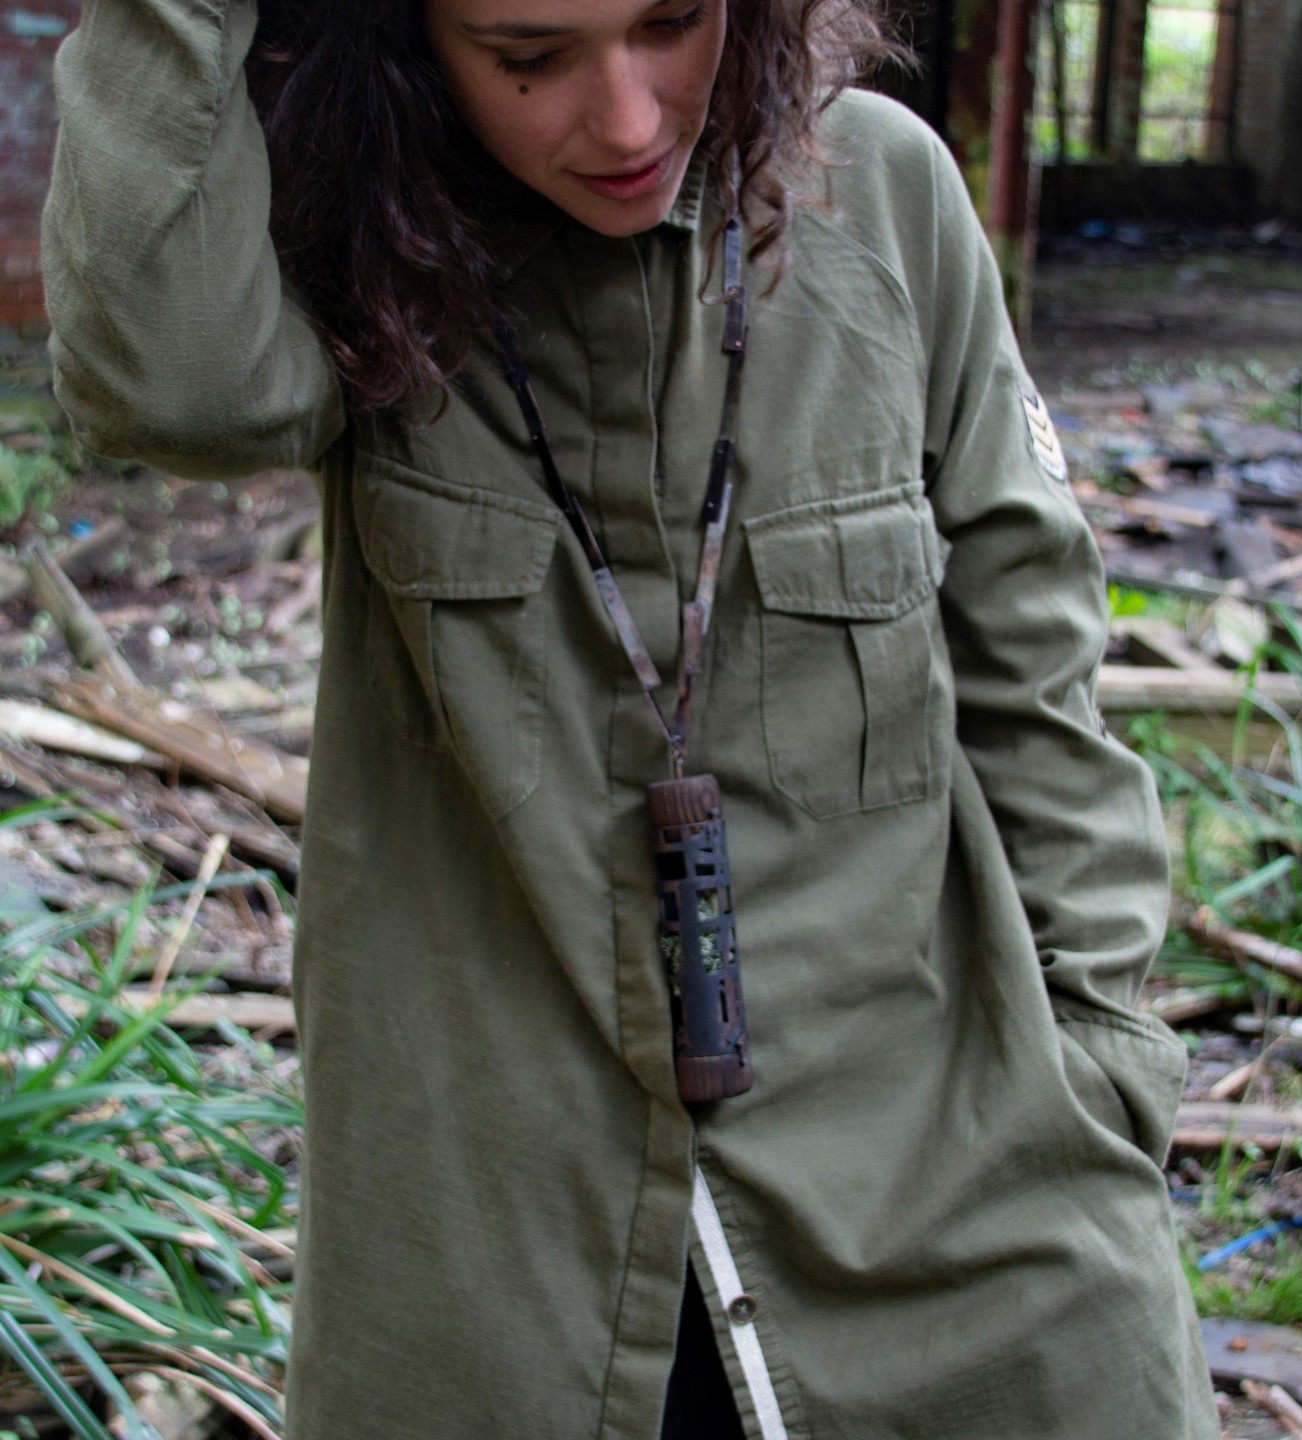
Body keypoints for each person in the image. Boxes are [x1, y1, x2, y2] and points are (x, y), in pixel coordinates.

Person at [42, 0, 1221, 1436]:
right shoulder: (354, 227)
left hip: (950, 1207)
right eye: (528, 56)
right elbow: (174, 389)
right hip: (502, 1275)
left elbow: (1034, 671)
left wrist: (1105, 1059)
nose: (627, 121)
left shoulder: (888, 197)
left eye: (672, 23)